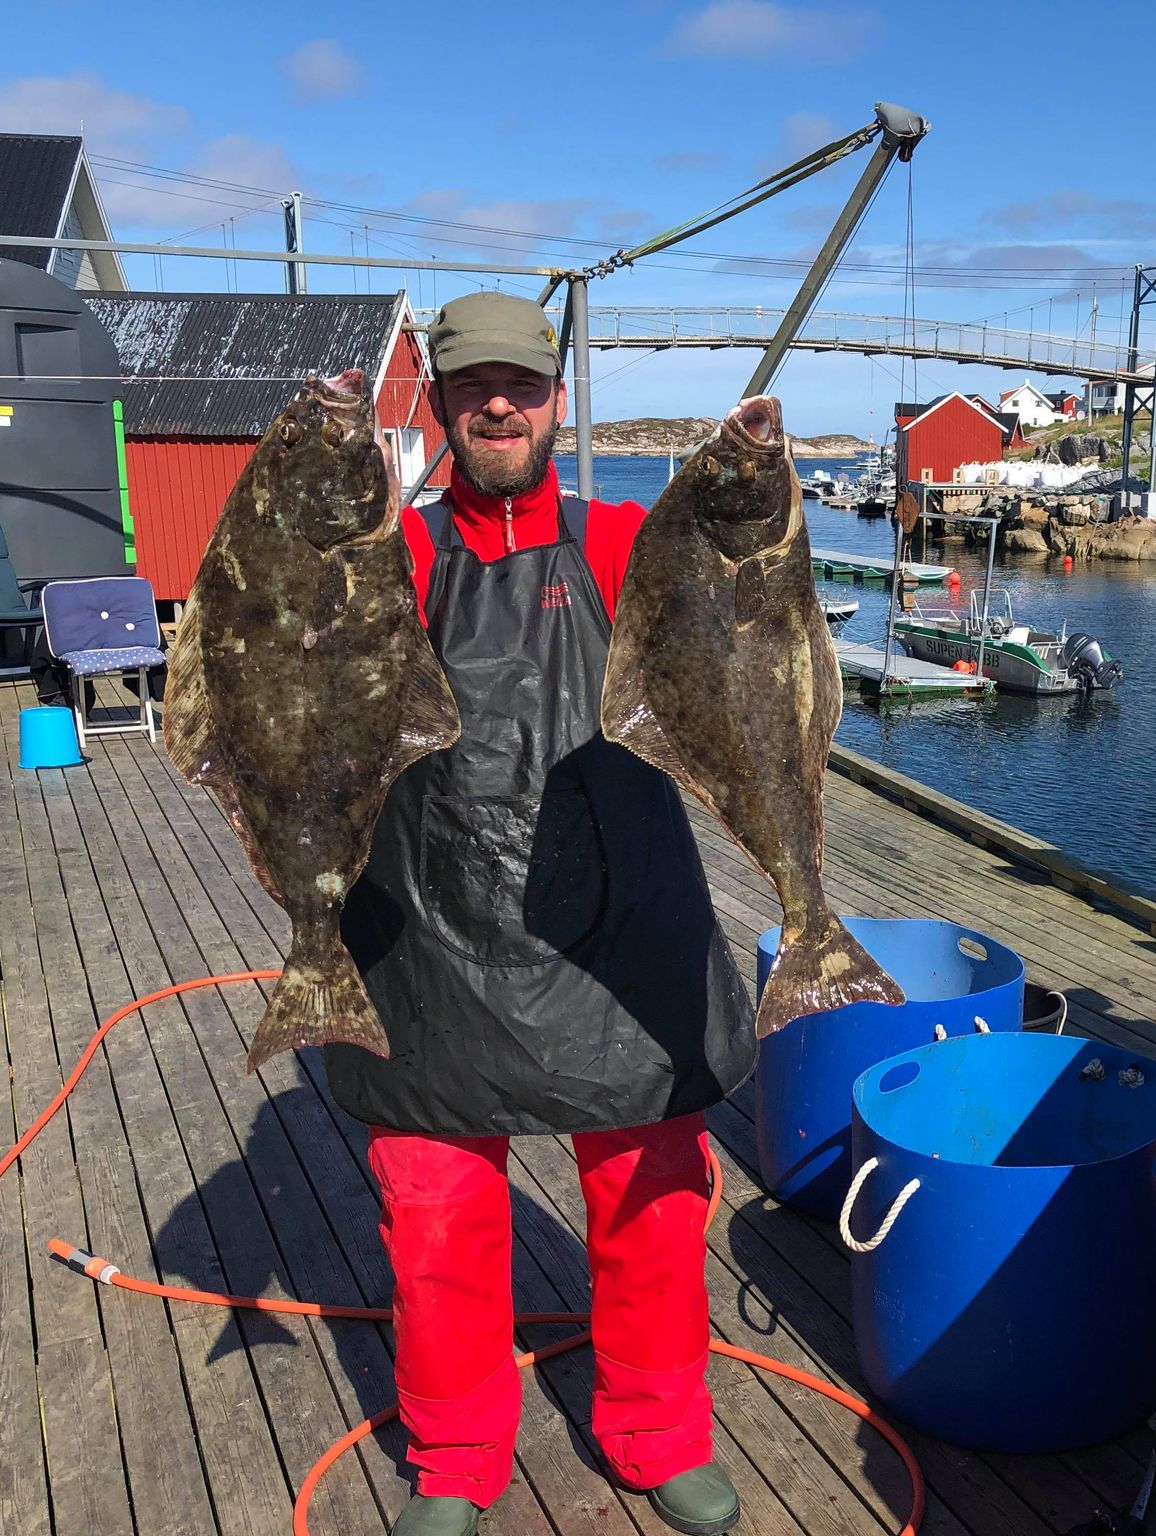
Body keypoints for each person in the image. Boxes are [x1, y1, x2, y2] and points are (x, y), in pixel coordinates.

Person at [328, 290, 757, 1536]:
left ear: (554, 401)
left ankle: (657, 1432)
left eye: (520, 384)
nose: (499, 405)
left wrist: (736, 498)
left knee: (652, 1197)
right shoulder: (395, 555)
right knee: (436, 1204)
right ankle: (457, 1453)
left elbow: (720, 619)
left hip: (613, 919)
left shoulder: (622, 539)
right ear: (443, 405)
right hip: (430, 922)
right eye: (472, 389)